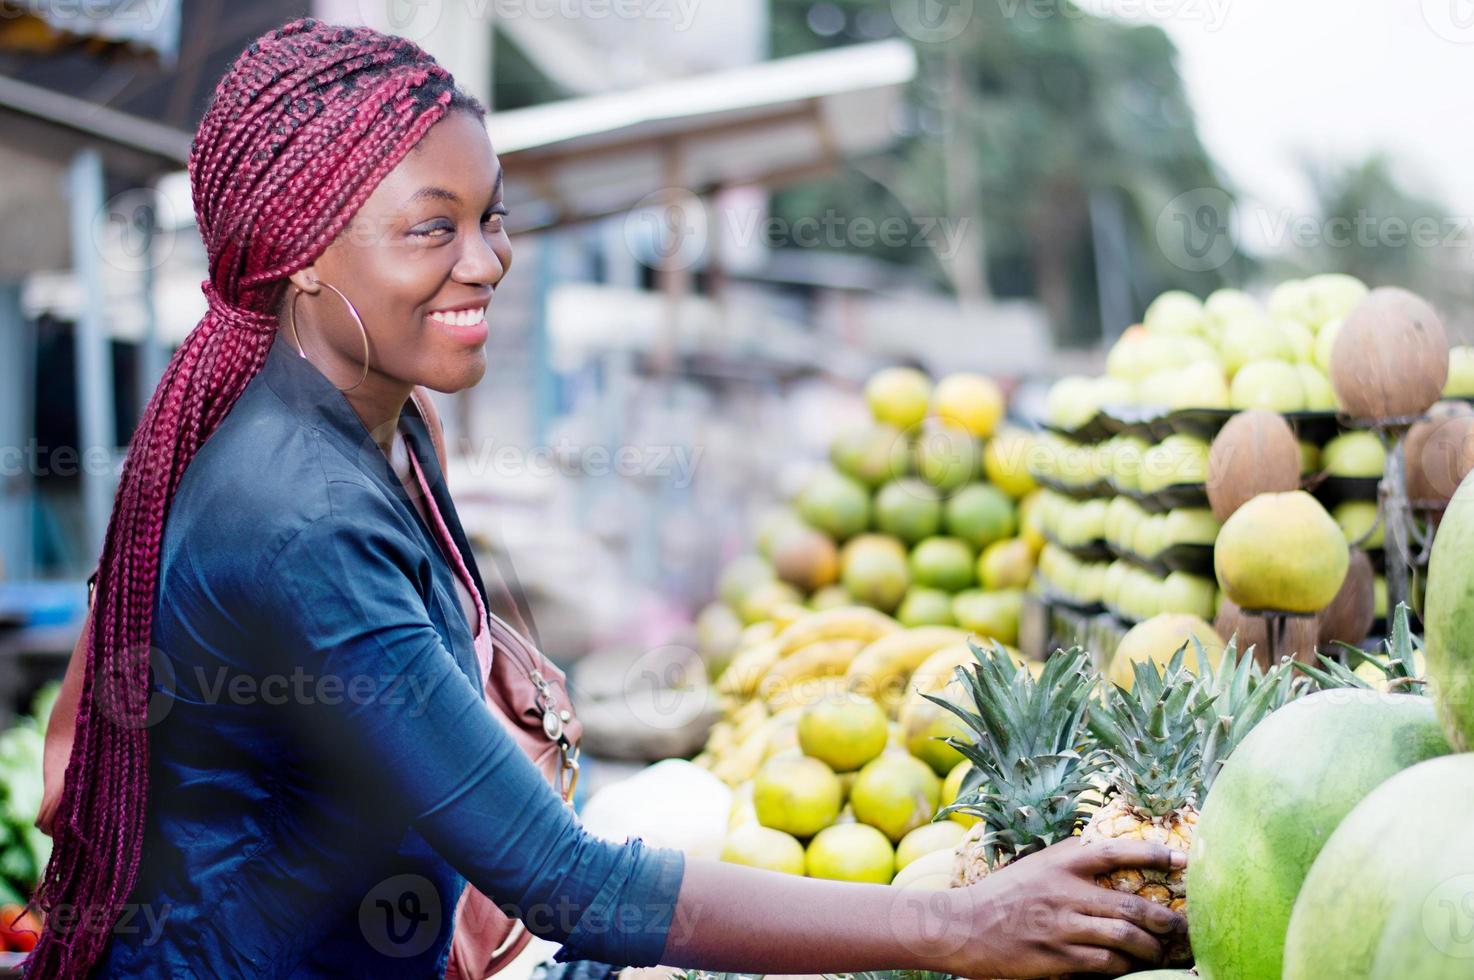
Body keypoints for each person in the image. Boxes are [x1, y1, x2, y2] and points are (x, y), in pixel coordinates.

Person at [28, 17, 1186, 979]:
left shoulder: (380, 430)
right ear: (304, 254)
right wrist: (950, 923)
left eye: (491, 218)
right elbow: (569, 881)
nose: (485, 261)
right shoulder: (296, 515)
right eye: (433, 226)